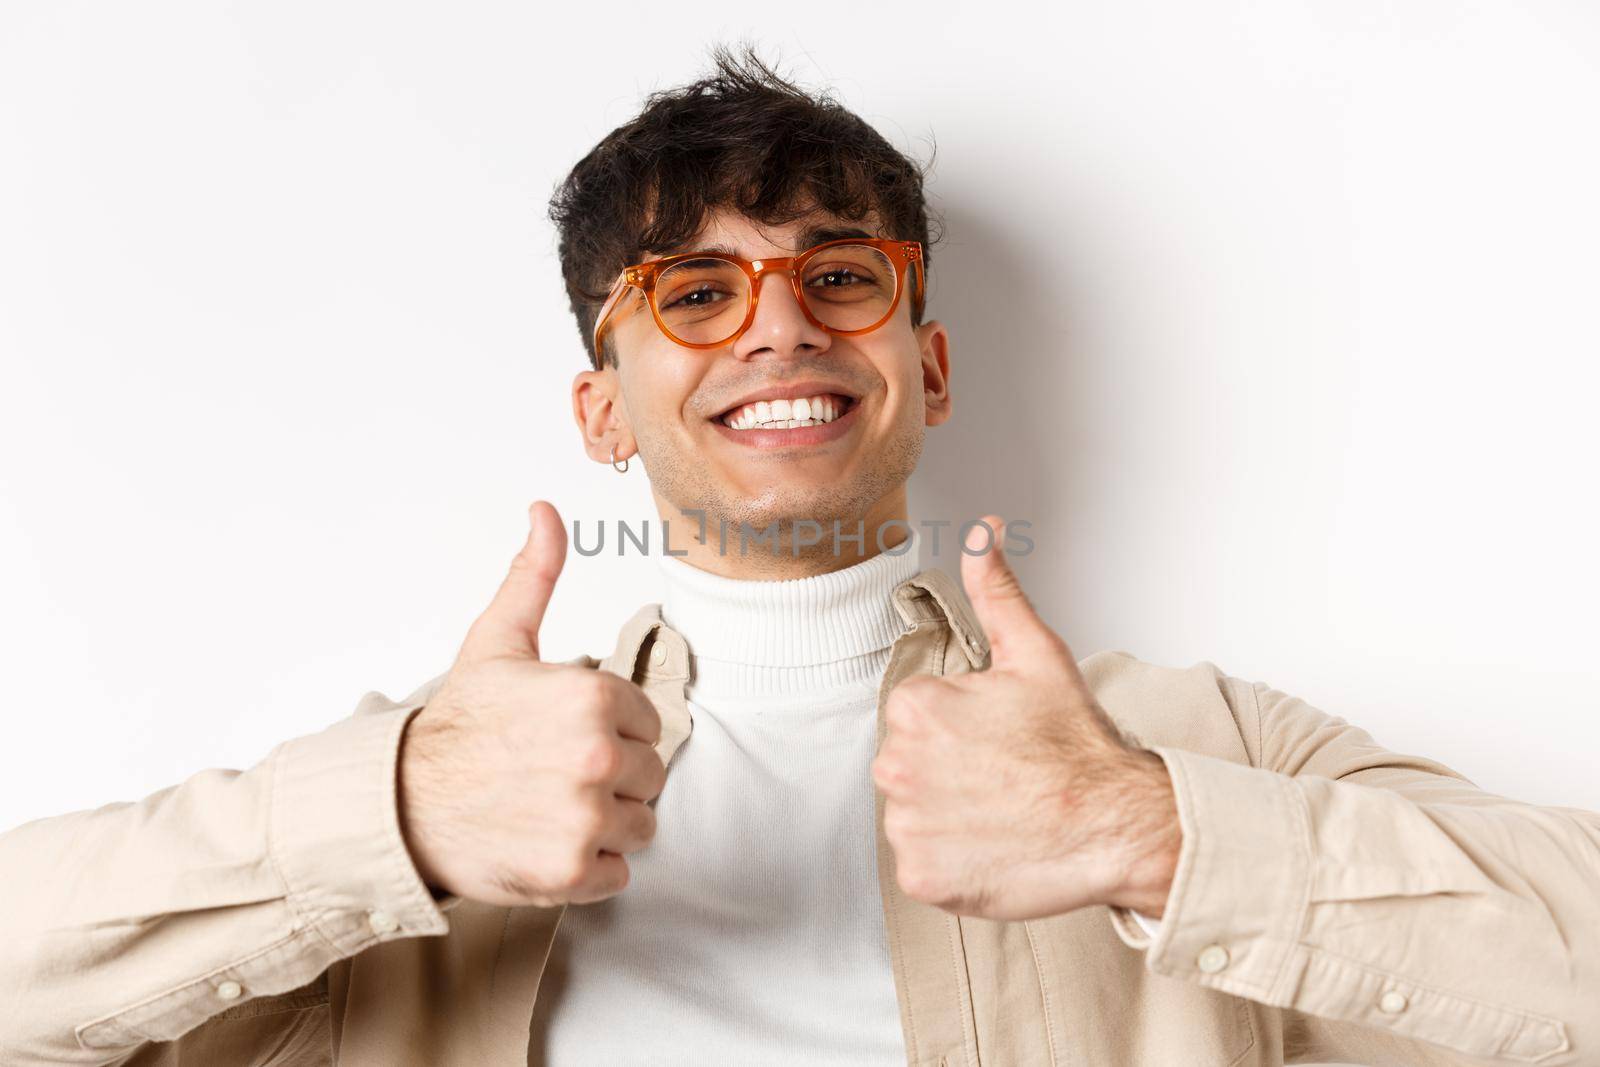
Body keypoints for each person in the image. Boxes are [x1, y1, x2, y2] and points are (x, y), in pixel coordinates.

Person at [2, 42, 1597, 1067]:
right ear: (602, 413)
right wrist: (390, 819)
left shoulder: (1187, 747)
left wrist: (1153, 833)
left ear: (931, 363)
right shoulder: (448, 786)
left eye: (840, 274)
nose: (776, 322)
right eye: (692, 293)